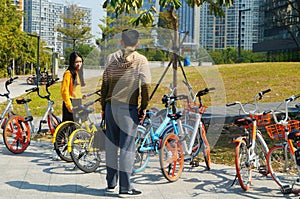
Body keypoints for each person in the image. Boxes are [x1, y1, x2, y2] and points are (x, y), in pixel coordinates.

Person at [101, 29, 151, 197]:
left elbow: (104, 85)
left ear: (121, 42)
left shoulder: (110, 58)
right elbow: (145, 87)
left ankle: (111, 184)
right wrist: (143, 107)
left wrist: (103, 107)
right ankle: (125, 188)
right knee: (127, 148)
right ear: (137, 44)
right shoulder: (141, 61)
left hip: (110, 107)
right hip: (128, 109)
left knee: (111, 147)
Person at [61, 51, 85, 122]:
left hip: (78, 101)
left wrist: (82, 95)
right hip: (71, 102)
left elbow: (76, 89)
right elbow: (64, 91)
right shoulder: (68, 74)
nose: (79, 64)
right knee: (70, 127)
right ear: (72, 62)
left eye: (80, 61)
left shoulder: (78, 73)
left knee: (77, 125)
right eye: (76, 62)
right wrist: (69, 105)